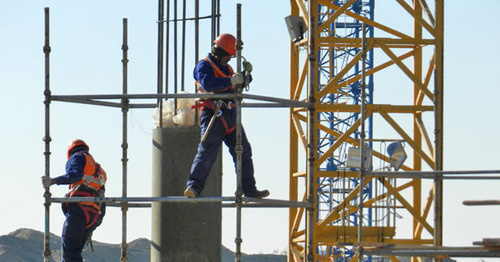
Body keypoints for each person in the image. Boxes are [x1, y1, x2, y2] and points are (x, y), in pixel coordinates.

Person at [184, 33, 269, 199]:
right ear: (219, 53)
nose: (229, 60)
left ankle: (249, 189)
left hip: (230, 114)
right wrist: (230, 81)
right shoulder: (204, 65)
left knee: (244, 151)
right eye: (228, 57)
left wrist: (245, 77)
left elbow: (234, 88)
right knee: (208, 151)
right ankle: (193, 187)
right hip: (213, 113)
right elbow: (208, 83)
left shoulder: (227, 69)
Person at [42, 139, 107, 262]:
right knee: (75, 254)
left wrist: (53, 181)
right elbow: (101, 193)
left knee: (70, 254)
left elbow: (75, 175)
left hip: (80, 207)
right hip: (96, 212)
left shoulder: (77, 157)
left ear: (70, 153)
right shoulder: (97, 169)